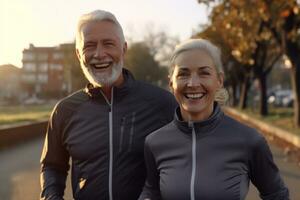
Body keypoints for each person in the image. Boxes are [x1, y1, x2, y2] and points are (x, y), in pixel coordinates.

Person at [40, 10, 177, 200]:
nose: (99, 54)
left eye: (108, 44)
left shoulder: (162, 103)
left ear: (123, 49)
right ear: (79, 54)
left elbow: (183, 161)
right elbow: (52, 166)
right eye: (89, 46)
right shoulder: (64, 111)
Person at [139, 38, 289, 200]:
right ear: (171, 83)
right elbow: (152, 191)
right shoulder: (154, 142)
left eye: (204, 73)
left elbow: (276, 194)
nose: (193, 83)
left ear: (219, 81)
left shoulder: (250, 140)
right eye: (183, 74)